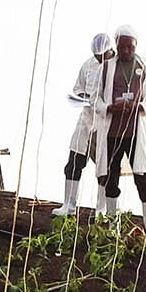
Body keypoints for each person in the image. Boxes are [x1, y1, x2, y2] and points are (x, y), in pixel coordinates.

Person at [92, 24, 146, 247]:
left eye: (131, 46)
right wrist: (109, 108)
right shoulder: (106, 68)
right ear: (116, 45)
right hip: (112, 132)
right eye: (122, 46)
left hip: (135, 131)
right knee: (110, 177)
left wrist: (140, 107)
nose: (126, 50)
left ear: (136, 45)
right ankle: (112, 228)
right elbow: (94, 98)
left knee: (144, 179)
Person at [51, 33, 115, 217]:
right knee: (74, 162)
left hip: (106, 123)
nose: (99, 59)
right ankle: (68, 206)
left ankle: (101, 210)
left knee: (105, 168)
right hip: (86, 120)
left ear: (110, 50)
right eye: (96, 56)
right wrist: (86, 99)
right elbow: (77, 89)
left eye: (102, 55)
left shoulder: (118, 67)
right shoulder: (88, 65)